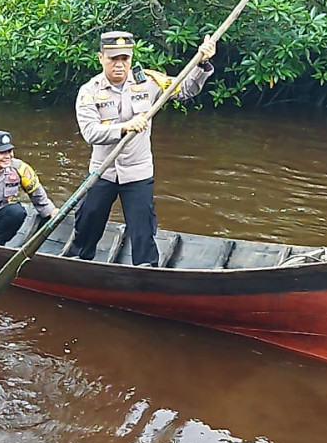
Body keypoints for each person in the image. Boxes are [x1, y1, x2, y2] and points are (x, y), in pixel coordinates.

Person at [68, 30, 216, 266]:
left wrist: (202, 63)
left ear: (131, 58)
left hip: (137, 172)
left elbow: (185, 89)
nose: (119, 65)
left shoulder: (148, 81)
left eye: (124, 59)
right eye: (112, 59)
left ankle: (146, 271)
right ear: (100, 58)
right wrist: (124, 127)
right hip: (102, 171)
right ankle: (76, 264)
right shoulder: (89, 91)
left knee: (142, 230)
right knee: (88, 222)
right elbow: (90, 133)